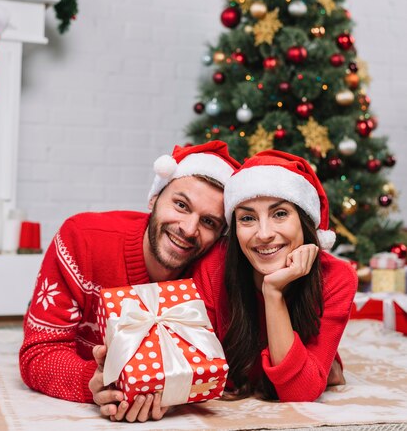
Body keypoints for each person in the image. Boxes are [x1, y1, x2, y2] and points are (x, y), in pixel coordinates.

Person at [19, 140, 240, 422]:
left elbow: (226, 367)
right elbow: (38, 353)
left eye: (209, 222)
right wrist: (96, 381)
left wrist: (175, 391)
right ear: (154, 199)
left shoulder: (212, 273)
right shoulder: (82, 239)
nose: (188, 229)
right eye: (181, 205)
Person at [192, 149, 358, 402]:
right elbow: (206, 373)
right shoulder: (213, 266)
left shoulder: (335, 276)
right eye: (247, 218)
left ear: (304, 220)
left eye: (280, 214)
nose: (264, 233)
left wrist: (273, 293)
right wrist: (313, 370)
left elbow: (299, 393)